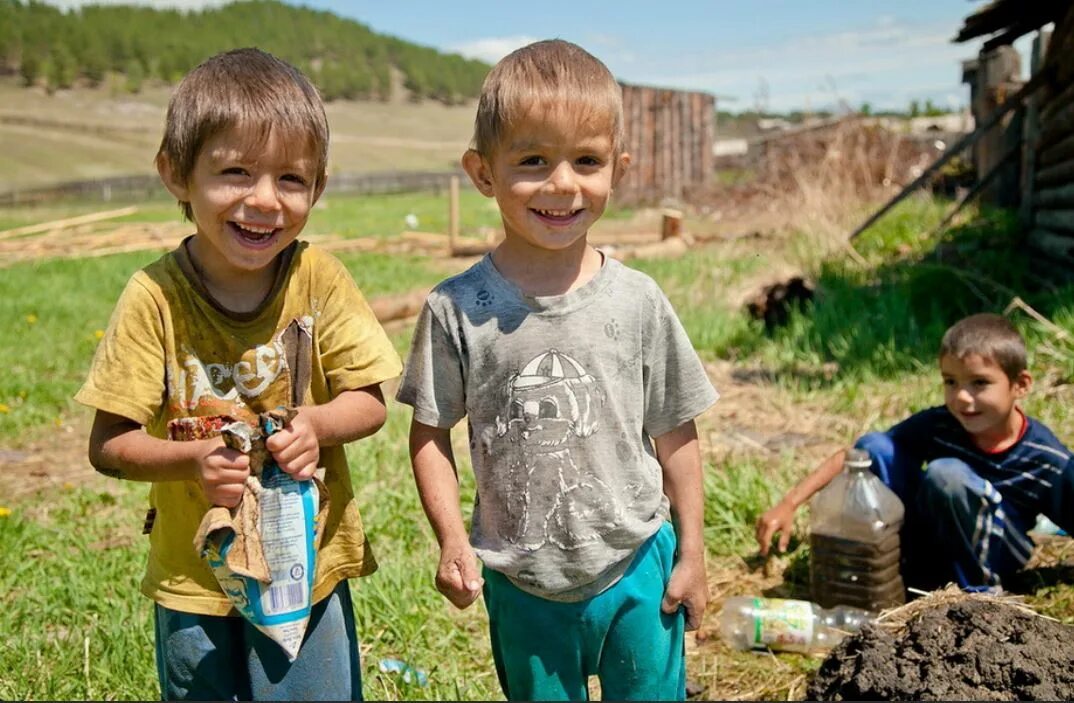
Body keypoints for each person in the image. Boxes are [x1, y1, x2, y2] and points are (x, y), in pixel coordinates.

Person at [396, 39, 718, 701]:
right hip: (524, 582)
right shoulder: (457, 308)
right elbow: (429, 434)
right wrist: (451, 537)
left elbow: (675, 432)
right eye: (533, 160)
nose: (563, 184)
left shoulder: (637, 302)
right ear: (483, 173)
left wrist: (692, 550)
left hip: (636, 568)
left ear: (618, 168)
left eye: (587, 160)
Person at [75, 48, 401, 701]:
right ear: (176, 174)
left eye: (291, 179)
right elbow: (109, 444)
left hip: (301, 577)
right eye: (235, 172)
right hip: (195, 578)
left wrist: (317, 423)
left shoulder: (320, 280)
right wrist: (195, 458)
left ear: (320, 186)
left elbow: (370, 401)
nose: (264, 200)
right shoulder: (155, 298)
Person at [756, 313, 1074, 591]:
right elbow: (857, 454)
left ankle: (975, 596)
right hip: (931, 543)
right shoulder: (942, 424)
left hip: (996, 553)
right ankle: (891, 570)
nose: (962, 397)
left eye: (979, 383)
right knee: (875, 446)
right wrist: (790, 503)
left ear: (1021, 384)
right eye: (951, 382)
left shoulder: (1046, 459)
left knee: (946, 474)